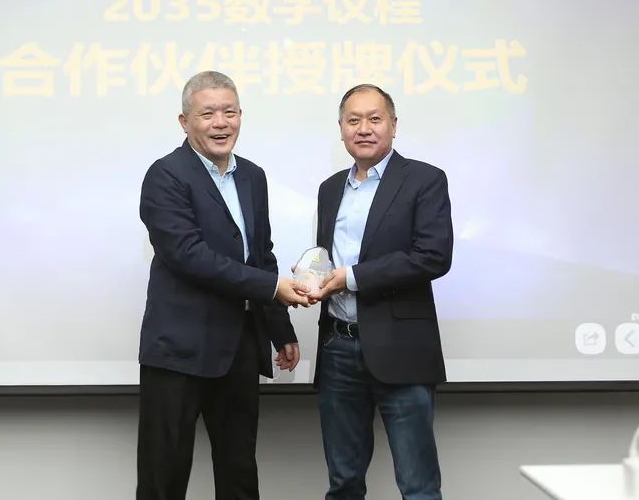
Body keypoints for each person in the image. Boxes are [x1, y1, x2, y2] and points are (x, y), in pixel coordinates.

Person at [136, 70, 311, 500]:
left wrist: (280, 329)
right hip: (178, 351)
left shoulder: (253, 176)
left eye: (229, 112)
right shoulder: (165, 175)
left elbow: (260, 254)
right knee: (163, 477)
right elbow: (188, 255)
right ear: (184, 122)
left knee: (239, 473)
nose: (220, 123)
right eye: (208, 113)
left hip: (238, 350)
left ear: (241, 116)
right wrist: (271, 287)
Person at [307, 83, 453, 500]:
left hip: (401, 349)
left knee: (418, 486)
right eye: (353, 120)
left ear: (393, 124)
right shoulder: (330, 188)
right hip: (337, 348)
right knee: (344, 483)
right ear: (341, 129)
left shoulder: (424, 179)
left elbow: (433, 257)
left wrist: (351, 277)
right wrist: (312, 280)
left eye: (375, 118)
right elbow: (327, 257)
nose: (364, 128)